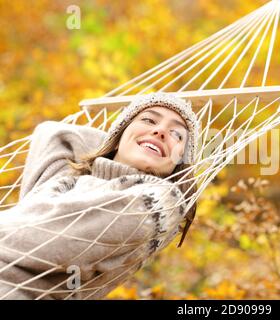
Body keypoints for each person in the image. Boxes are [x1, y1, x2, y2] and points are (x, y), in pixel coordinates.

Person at [0, 93, 199, 299]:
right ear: (119, 134)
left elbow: (54, 242)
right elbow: (52, 132)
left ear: (178, 162)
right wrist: (111, 145)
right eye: (148, 120)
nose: (160, 131)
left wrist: (128, 141)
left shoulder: (160, 202)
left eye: (177, 134)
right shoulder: (69, 180)